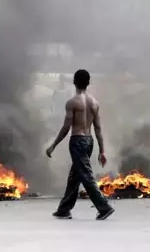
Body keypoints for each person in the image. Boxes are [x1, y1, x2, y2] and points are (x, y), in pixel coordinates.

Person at [45, 69, 115, 220]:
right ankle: (64, 209)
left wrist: (53, 145)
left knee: (85, 176)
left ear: (74, 82)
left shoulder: (72, 103)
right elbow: (98, 128)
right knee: (75, 176)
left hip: (77, 141)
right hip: (89, 141)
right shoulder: (94, 103)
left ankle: (104, 207)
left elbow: (66, 127)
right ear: (88, 83)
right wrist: (102, 151)